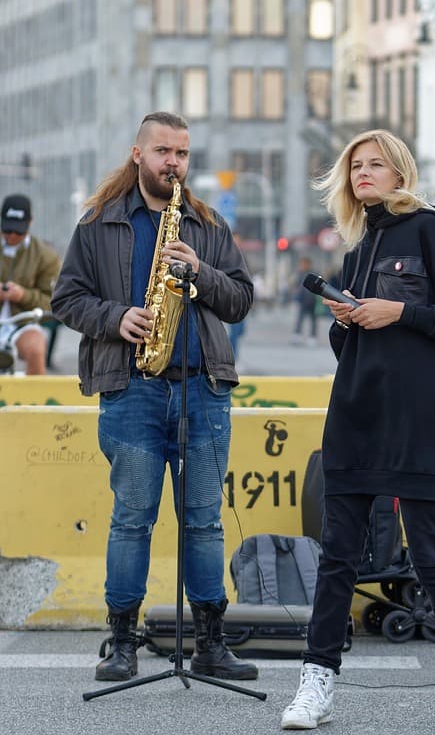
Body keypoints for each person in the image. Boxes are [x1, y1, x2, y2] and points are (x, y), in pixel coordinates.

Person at [279, 129, 435, 733]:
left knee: (432, 555)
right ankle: (315, 684)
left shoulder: (428, 231)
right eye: (356, 167)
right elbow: (346, 348)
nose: (364, 174)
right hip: (356, 414)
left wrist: (397, 311)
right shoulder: (358, 251)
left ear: (401, 173)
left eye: (376, 164)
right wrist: (346, 317)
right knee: (338, 559)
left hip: (420, 421)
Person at [49, 111, 257, 683]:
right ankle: (121, 643)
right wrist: (117, 319)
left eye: (184, 154)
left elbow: (240, 299)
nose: (175, 164)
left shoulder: (206, 225)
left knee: (204, 523)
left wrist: (201, 271)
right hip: (132, 388)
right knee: (131, 520)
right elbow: (65, 299)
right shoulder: (98, 222)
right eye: (164, 151)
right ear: (138, 154)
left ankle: (211, 643)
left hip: (202, 389)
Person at [1, 193, 61, 375]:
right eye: (7, 229)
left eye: (18, 231)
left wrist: (22, 295)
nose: (12, 235)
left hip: (23, 321)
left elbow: (53, 302)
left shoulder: (46, 256)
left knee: (36, 348)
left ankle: (35, 401)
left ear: (30, 223)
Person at [293, 255, 319, 344]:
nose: (302, 266)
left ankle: (312, 337)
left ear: (308, 264)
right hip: (302, 300)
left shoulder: (314, 273)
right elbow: (296, 285)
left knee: (313, 320)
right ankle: (297, 335)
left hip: (312, 300)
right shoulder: (300, 273)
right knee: (300, 319)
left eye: (304, 264)